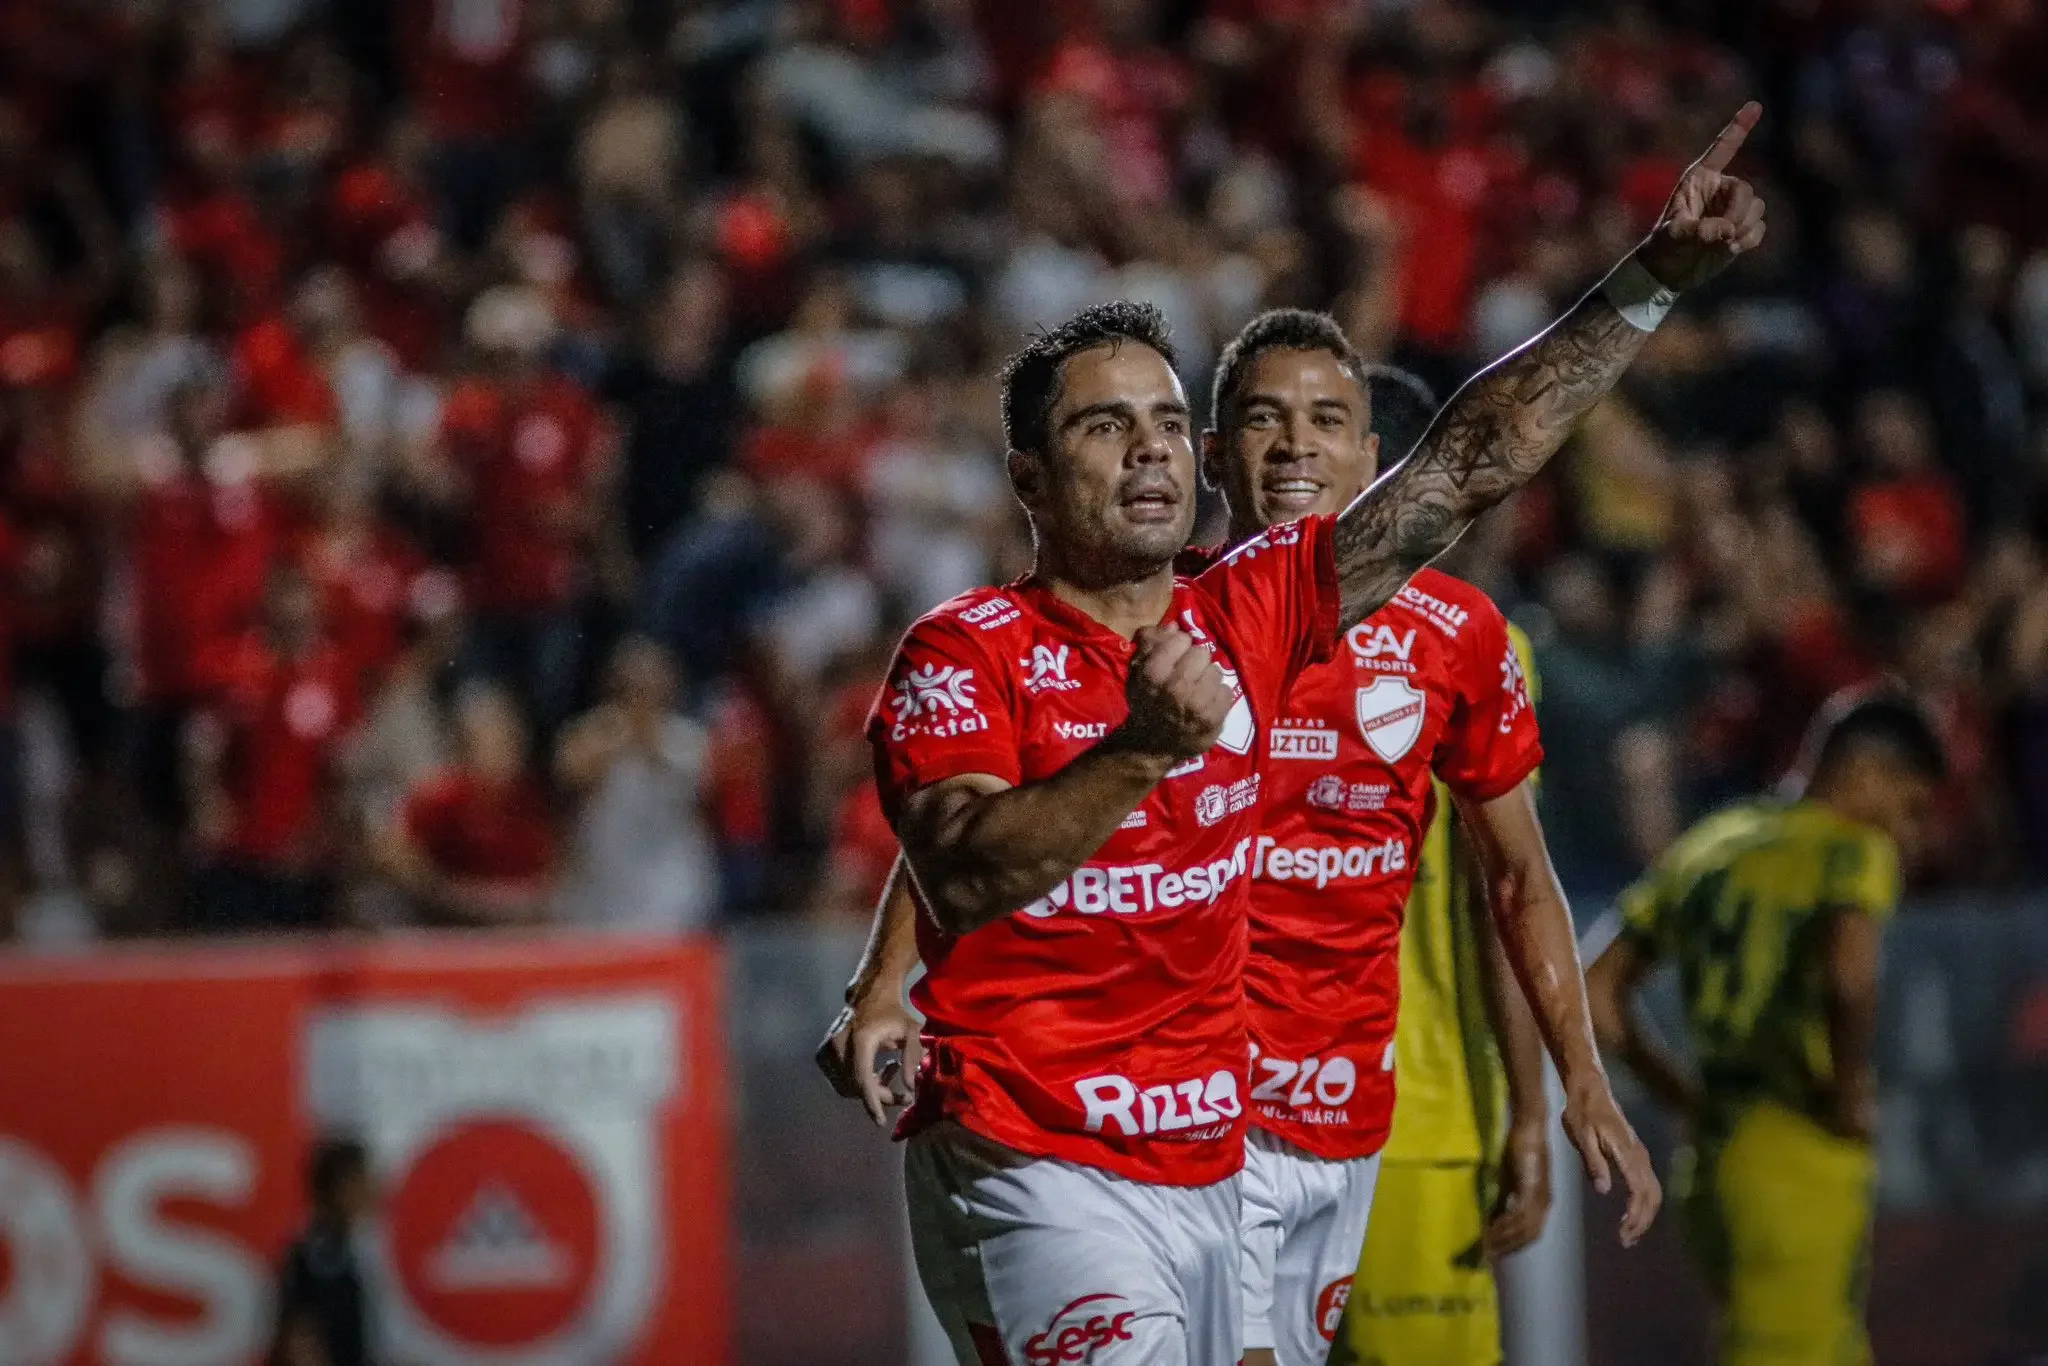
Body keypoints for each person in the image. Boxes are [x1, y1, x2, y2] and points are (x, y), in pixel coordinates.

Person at [843, 105, 1765, 1366]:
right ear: (1027, 481)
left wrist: (1652, 278)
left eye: (1166, 421)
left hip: (1224, 1160)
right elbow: (959, 864)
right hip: (1031, 1152)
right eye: (1102, 427)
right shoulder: (966, 651)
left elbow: (1473, 457)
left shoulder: (1256, 611)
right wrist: (1137, 753)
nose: (1150, 450)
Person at [1586, 690, 1945, 1366]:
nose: (1910, 831)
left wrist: (1679, 1096)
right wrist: (1845, 1093)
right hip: (1794, 1145)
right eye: (1910, 804)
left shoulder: (1710, 844)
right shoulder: (1850, 848)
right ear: (1866, 773)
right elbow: (1849, 973)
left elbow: (1596, 990)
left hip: (1715, 1157)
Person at [553, 636, 721, 935]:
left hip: (670, 881)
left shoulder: (688, 739)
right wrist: (618, 741)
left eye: (650, 686)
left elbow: (702, 789)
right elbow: (569, 775)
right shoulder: (591, 733)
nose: (642, 695)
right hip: (604, 882)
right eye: (633, 686)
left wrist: (646, 741)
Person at [271, 1136, 375, 1366]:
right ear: (342, 1187)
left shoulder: (348, 1249)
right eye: (364, 1179)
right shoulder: (317, 1255)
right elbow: (301, 1335)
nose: (373, 1188)